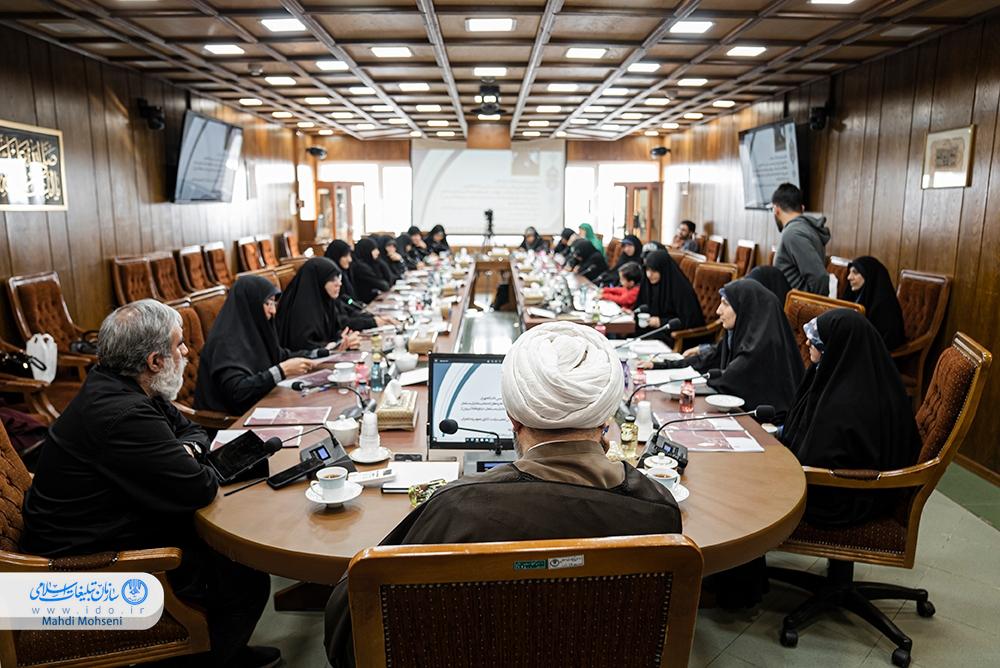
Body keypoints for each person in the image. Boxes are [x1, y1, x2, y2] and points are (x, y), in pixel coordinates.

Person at [324, 322, 683, 667]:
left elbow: (349, 629)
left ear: (512, 417)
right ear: (606, 420)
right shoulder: (658, 510)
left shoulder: (455, 509)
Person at [21, 300, 279, 668]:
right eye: (179, 344)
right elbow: (199, 487)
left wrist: (186, 450)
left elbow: (193, 431)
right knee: (244, 577)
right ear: (155, 361)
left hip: (105, 527)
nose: (187, 351)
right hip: (79, 567)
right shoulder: (124, 413)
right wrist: (191, 457)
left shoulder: (127, 385)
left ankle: (226, 648)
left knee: (229, 555)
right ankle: (212, 656)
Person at [781, 309, 920, 526]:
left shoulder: (847, 403)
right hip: (834, 483)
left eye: (816, 340)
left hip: (843, 497)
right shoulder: (842, 376)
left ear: (836, 346)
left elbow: (818, 458)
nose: (807, 343)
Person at [640, 279, 803, 419]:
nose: (718, 311)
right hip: (739, 413)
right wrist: (660, 365)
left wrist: (683, 386)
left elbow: (727, 379)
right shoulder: (740, 334)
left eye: (725, 304)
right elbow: (707, 361)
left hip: (765, 423)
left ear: (745, 308)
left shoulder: (762, 346)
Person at [195, 275, 326, 416]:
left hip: (259, 407)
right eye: (267, 303)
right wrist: (282, 370)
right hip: (231, 419)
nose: (273, 311)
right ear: (251, 304)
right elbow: (238, 391)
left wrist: (321, 354)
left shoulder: (253, 329)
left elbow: (279, 355)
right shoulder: (224, 342)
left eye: (273, 303)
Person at [275, 257, 361, 352]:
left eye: (339, 278)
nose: (339, 283)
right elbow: (302, 345)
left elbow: (333, 331)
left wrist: (343, 339)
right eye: (333, 279)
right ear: (319, 280)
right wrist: (331, 346)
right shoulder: (301, 309)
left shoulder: (326, 301)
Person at [771, 183, 830, 295]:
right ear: (802, 209)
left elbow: (820, 278)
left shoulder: (793, 233)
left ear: (776, 209)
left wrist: (812, 305)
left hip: (796, 305)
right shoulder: (806, 228)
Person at [635, 250, 705, 342]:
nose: (649, 275)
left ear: (663, 270)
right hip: (651, 330)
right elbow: (642, 306)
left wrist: (661, 322)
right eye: (647, 270)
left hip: (674, 335)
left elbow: (691, 321)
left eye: (654, 271)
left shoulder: (680, 289)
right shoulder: (647, 283)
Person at [324, 239, 391, 331]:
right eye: (345, 256)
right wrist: (372, 321)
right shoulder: (357, 268)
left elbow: (349, 306)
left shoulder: (346, 273)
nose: (350, 259)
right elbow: (341, 321)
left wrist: (371, 317)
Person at [846, 256, 905, 351]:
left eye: (855, 273)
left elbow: (887, 343)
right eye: (849, 272)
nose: (849, 277)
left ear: (869, 276)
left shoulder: (884, 306)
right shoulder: (857, 294)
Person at [350, 237, 391, 302]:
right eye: (374, 249)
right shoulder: (360, 267)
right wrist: (379, 261)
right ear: (367, 250)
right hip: (365, 302)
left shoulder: (370, 263)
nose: (378, 252)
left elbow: (389, 281)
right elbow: (384, 286)